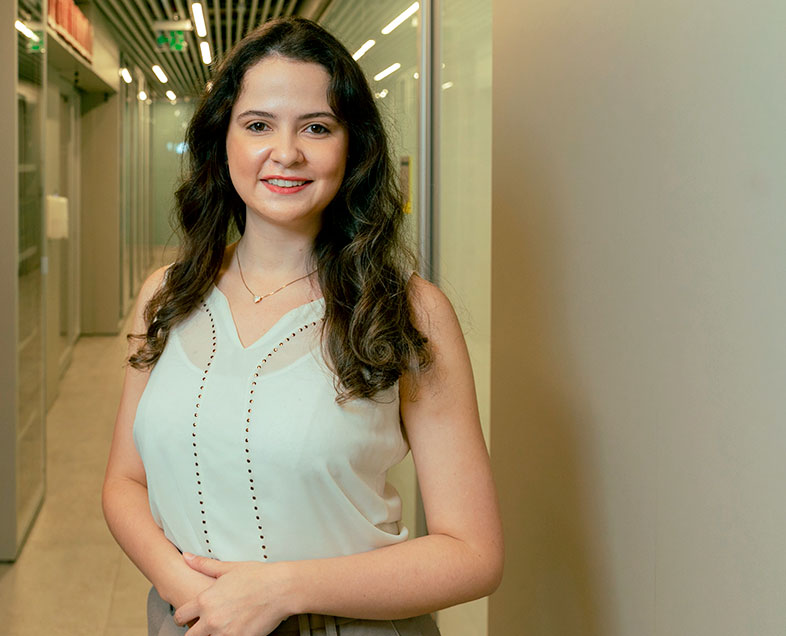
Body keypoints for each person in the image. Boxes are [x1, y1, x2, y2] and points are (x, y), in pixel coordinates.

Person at [102, 17, 503, 636]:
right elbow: (125, 483)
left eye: (316, 127)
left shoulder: (405, 310)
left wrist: (279, 591)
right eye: (258, 125)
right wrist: (196, 598)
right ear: (223, 142)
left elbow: (472, 554)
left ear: (353, 147)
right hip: (189, 621)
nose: (285, 153)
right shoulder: (166, 294)